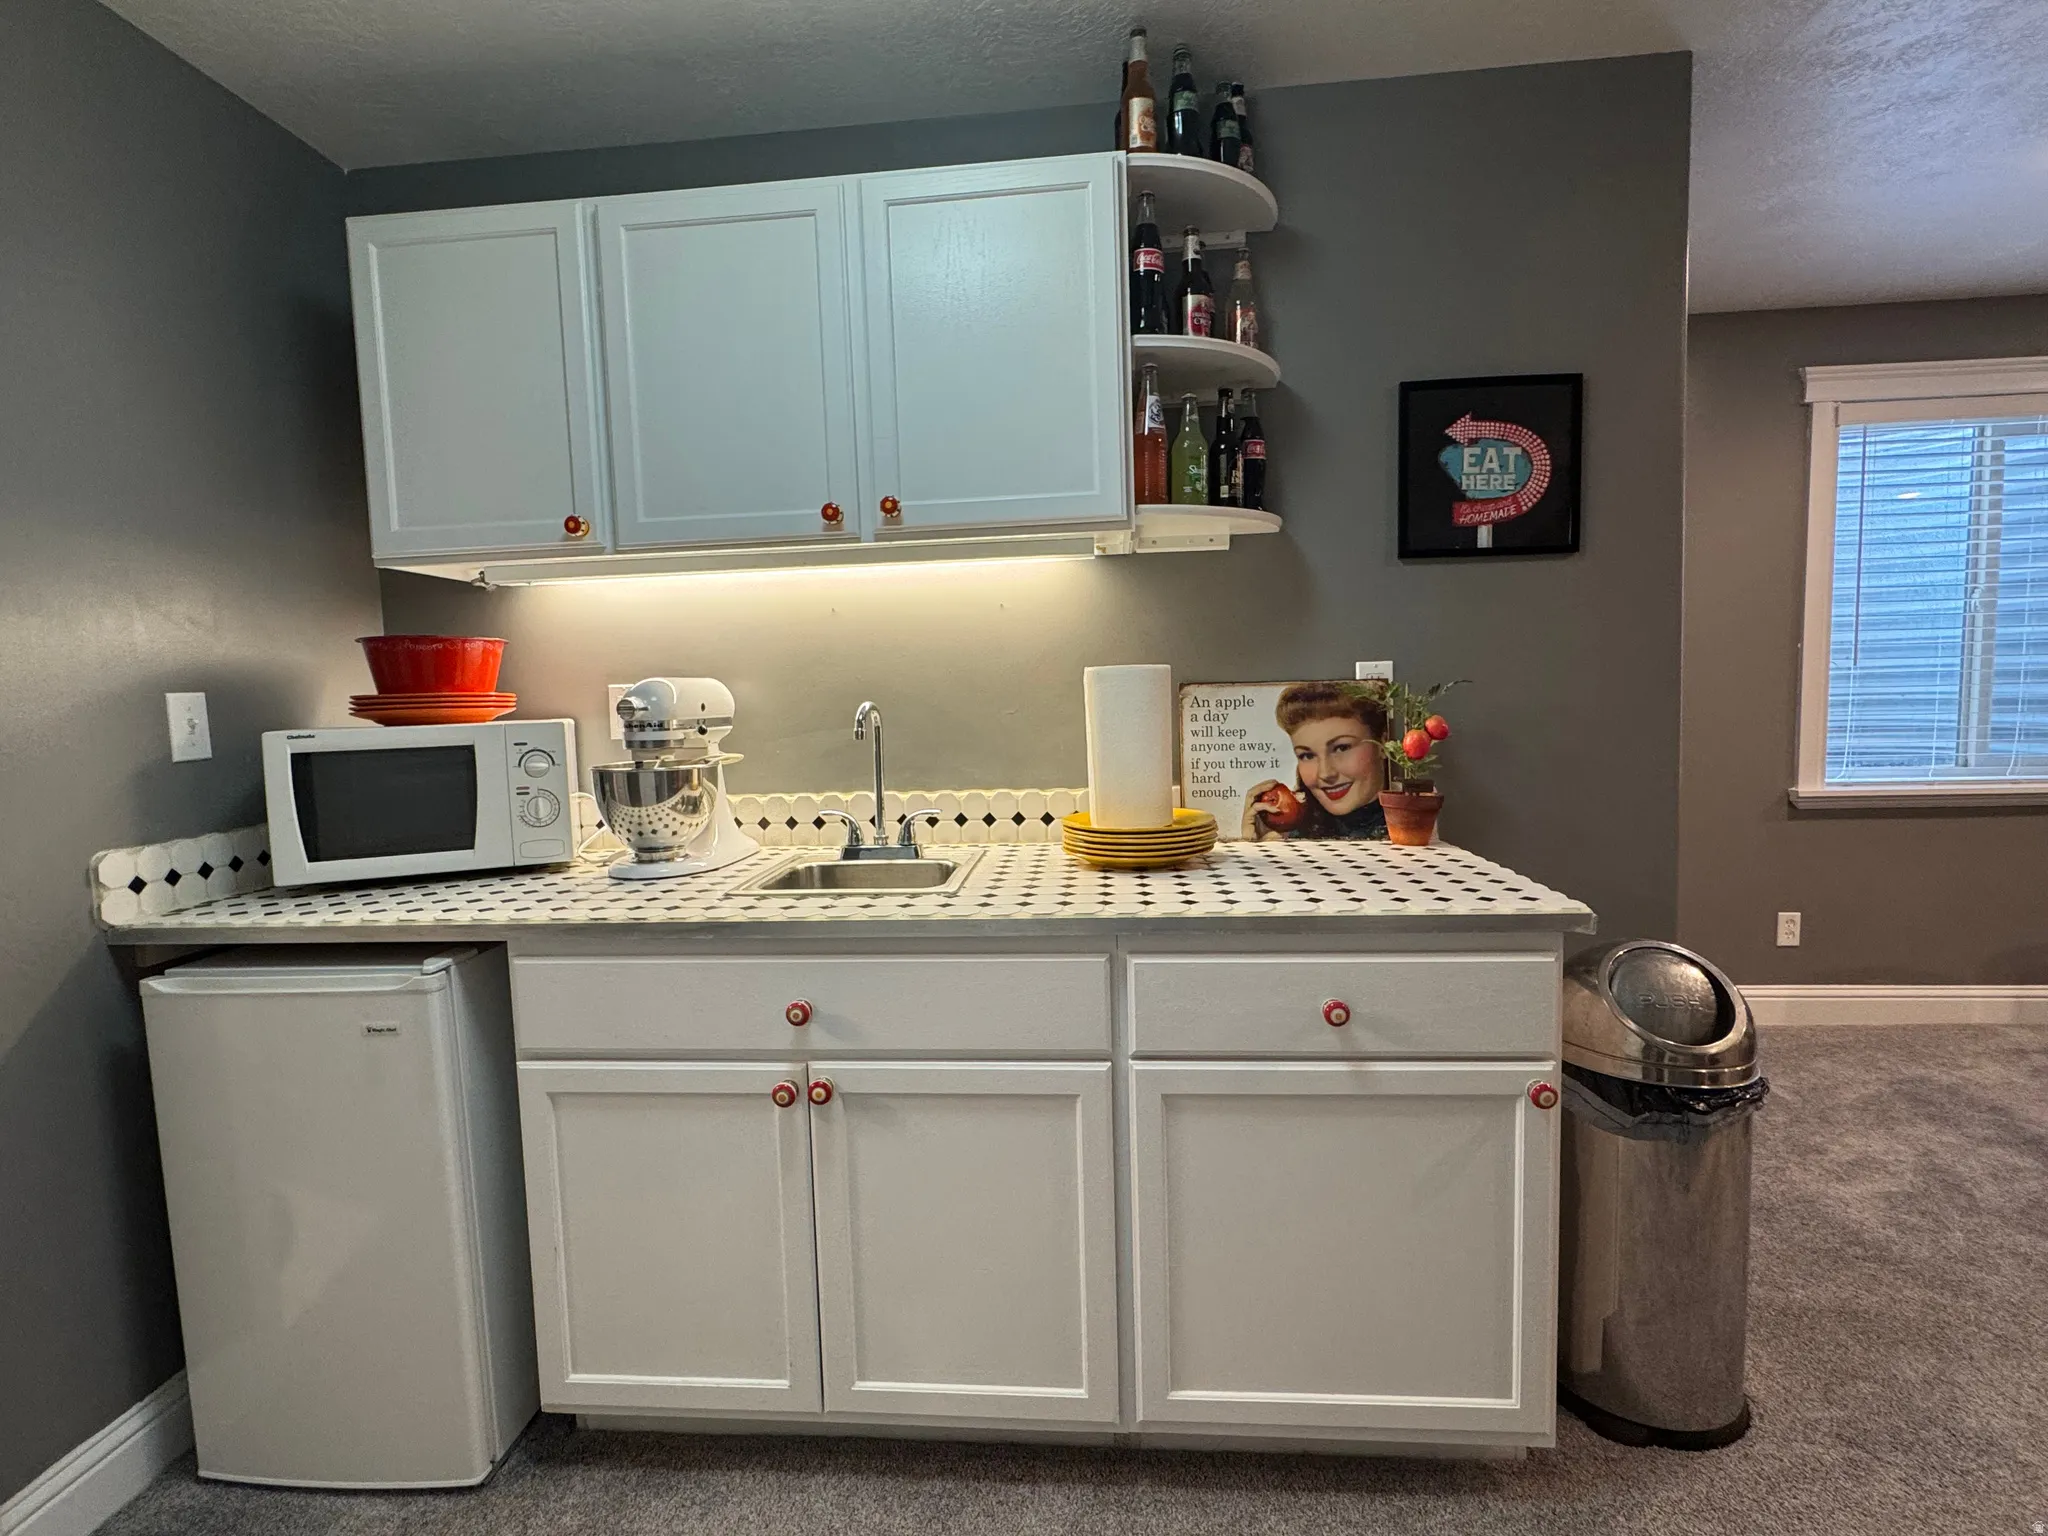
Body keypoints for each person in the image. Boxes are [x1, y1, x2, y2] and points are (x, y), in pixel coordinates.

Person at [1242, 682, 1389, 840]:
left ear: (1384, 744)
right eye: (1307, 755)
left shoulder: (1411, 827)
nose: (1326, 773)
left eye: (1341, 748)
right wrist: (1260, 848)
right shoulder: (1296, 832)